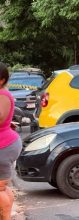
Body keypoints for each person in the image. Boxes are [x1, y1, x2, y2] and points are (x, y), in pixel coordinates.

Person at [0, 62, 22, 220]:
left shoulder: (2, 94)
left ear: (1, 79)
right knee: (2, 187)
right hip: (7, 143)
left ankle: (6, 217)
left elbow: (0, 117)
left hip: (3, 146)